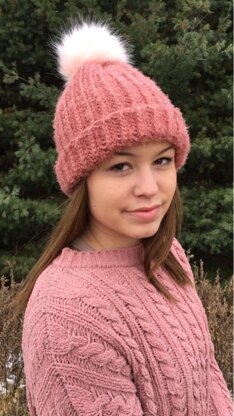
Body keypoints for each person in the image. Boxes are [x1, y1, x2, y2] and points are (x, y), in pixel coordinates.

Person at [15, 20, 232, 415]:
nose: (150, 187)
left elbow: (208, 379)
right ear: (83, 179)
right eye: (121, 166)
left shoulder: (167, 256)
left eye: (162, 160)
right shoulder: (68, 312)